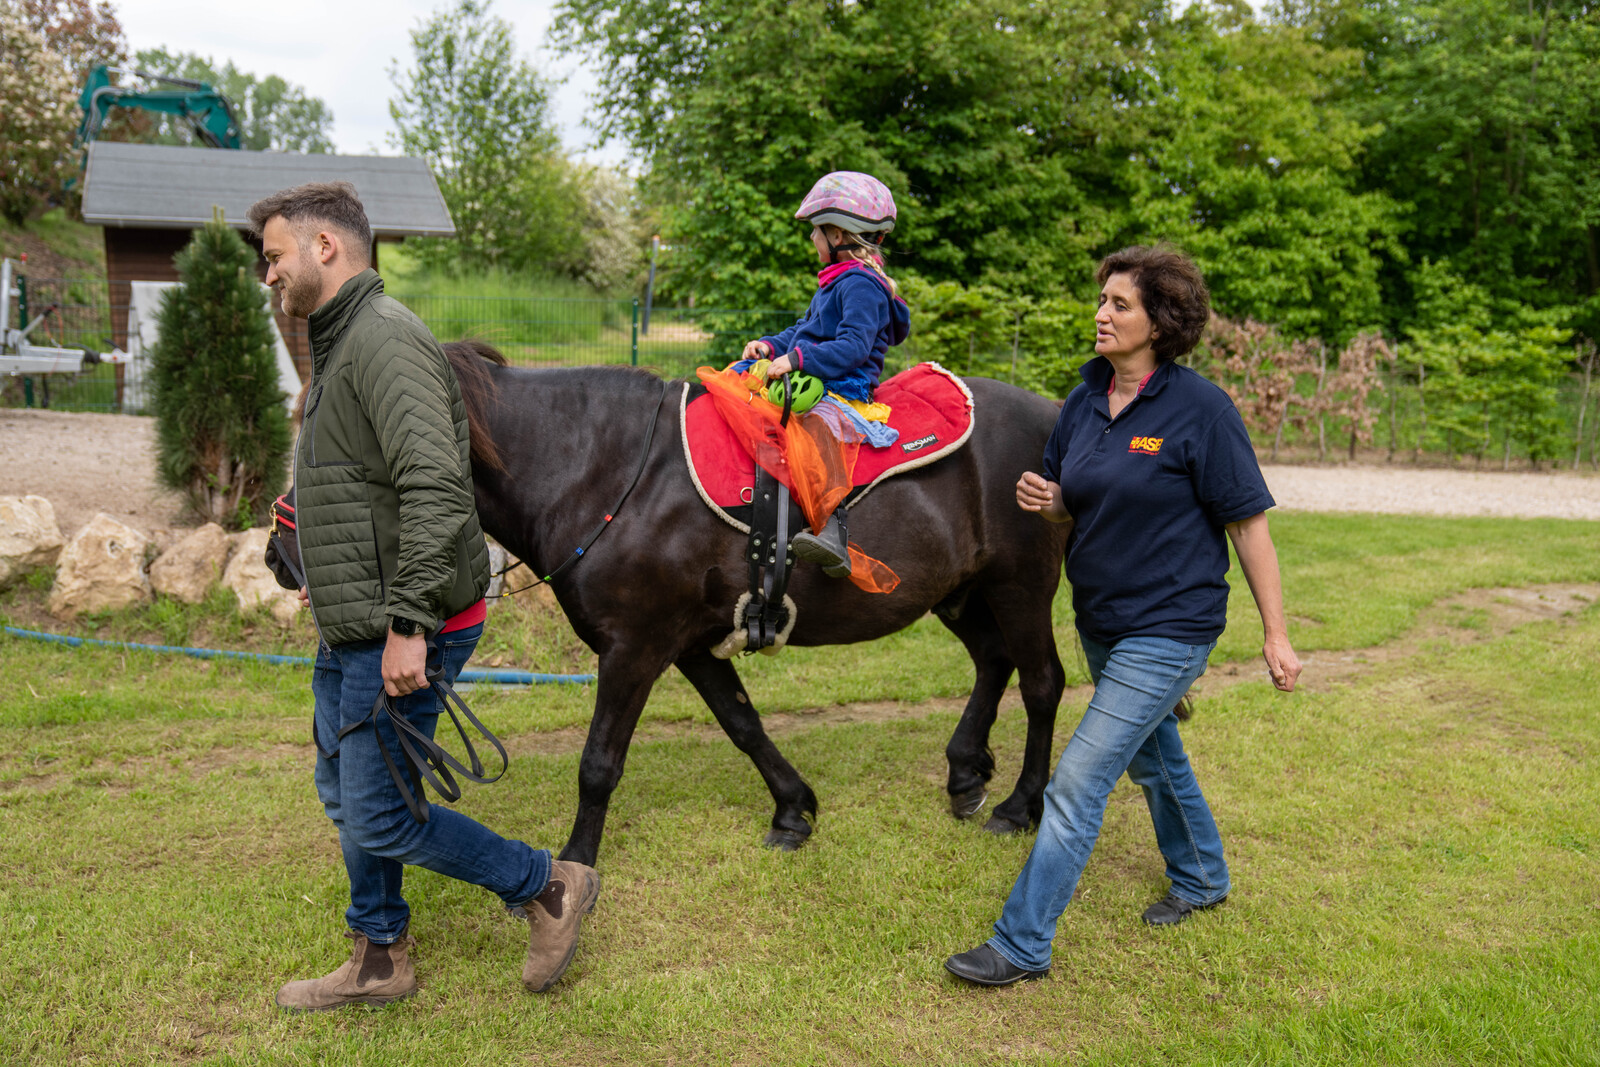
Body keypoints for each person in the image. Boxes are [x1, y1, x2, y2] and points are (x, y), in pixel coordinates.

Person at [246, 182, 599, 1011]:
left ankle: (547, 885)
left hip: (406, 624)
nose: (268, 276)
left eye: (274, 257)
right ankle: (378, 955)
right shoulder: (341, 340)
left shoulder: (385, 339)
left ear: (324, 246)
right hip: (355, 618)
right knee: (346, 795)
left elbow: (437, 491)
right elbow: (363, 485)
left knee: (382, 815)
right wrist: (323, 572)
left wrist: (409, 624)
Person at [944, 245, 1303, 987]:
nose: (1101, 314)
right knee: (1153, 753)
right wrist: (1057, 501)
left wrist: (1275, 631)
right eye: (1102, 300)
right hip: (1101, 617)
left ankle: (1021, 944)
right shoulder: (1083, 402)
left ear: (1160, 322)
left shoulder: (1200, 410)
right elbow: (1083, 490)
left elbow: (1248, 524)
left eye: (1120, 304)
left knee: (1078, 779)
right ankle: (1202, 875)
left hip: (1173, 624)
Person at [736, 170, 911, 577]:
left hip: (843, 387)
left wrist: (798, 360)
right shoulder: (834, 283)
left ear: (837, 234)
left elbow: (854, 347)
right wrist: (770, 346)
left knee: (816, 427)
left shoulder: (861, 286)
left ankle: (833, 532)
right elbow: (804, 330)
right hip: (820, 376)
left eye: (816, 232)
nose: (812, 239)